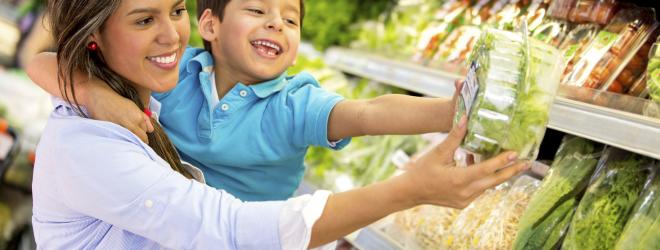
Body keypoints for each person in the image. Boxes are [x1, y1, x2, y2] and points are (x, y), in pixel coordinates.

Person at [31, 0, 528, 249]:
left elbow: (369, 111)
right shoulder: (174, 79)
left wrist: (454, 110)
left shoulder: (292, 101)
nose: (276, 24)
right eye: (257, 11)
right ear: (212, 27)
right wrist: (88, 90)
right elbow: (45, 59)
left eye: (291, 20)